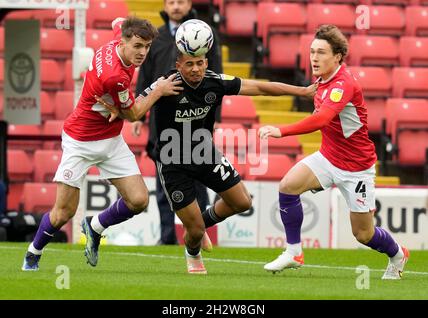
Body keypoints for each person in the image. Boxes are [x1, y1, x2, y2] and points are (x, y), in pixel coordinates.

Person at [96, 49, 316, 274]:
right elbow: (135, 109)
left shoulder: (215, 82)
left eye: (200, 63)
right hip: (173, 163)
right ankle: (193, 252)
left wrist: (303, 91)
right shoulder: (165, 85)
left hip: (205, 154)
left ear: (206, 62)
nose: (195, 69)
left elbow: (259, 87)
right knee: (195, 231)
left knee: (242, 202)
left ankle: (199, 225)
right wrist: (121, 110)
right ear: (178, 64)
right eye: (189, 64)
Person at [21, 17, 183, 271]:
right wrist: (158, 89)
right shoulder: (114, 76)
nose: (143, 53)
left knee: (139, 200)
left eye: (147, 46)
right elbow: (133, 115)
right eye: (138, 46)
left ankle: (95, 227)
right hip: (81, 141)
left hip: (110, 140)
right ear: (124, 41)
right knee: (63, 213)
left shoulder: (118, 38)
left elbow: (118, 21)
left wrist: (119, 107)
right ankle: (33, 252)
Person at [258, 24, 409, 280]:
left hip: (356, 167)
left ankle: (397, 254)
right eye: (312, 51)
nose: (314, 58)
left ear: (337, 56)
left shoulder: (344, 84)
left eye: (321, 53)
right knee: (287, 186)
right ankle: (293, 252)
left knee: (363, 234)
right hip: (328, 157)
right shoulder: (323, 80)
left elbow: (320, 120)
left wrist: (280, 131)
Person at [134, 0, 223, 246]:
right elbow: (144, 73)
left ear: (189, 4)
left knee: (199, 179)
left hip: (197, 117)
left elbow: (218, 74)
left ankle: (200, 234)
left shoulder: (205, 34)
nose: (175, 6)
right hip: (162, 120)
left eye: (180, 1)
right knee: (165, 183)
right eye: (171, 2)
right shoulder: (157, 36)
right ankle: (167, 238)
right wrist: (139, 115)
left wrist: (215, 116)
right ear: (165, 5)